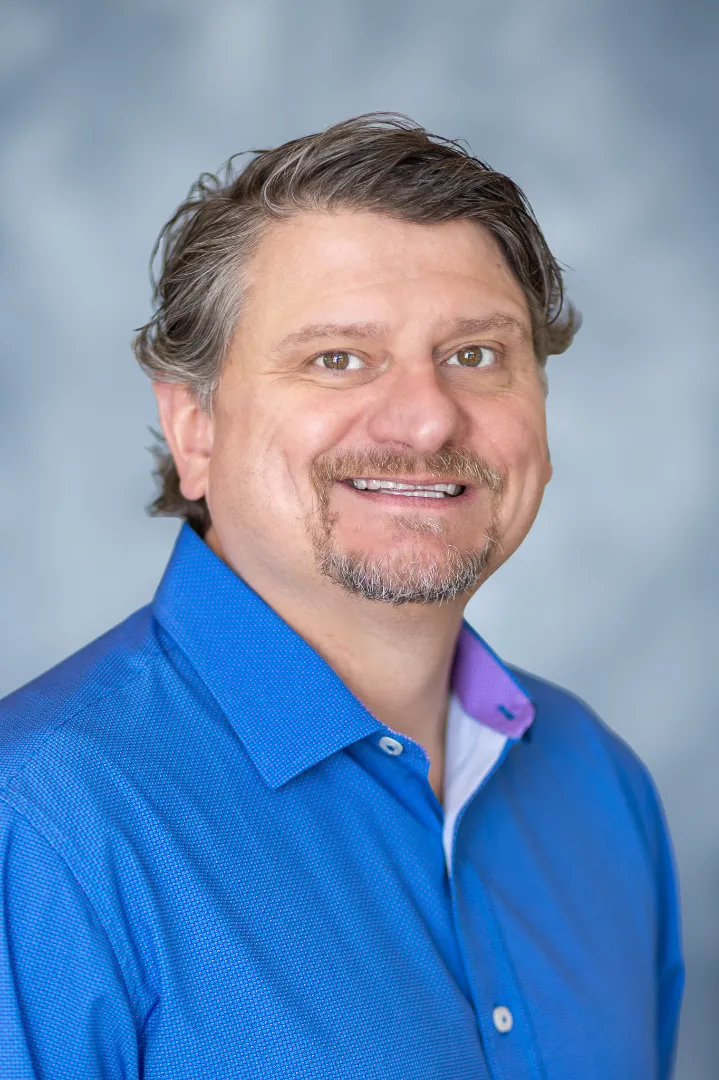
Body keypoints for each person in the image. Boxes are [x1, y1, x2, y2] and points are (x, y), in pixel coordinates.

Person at [0, 114, 683, 1079]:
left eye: (477, 354)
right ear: (194, 429)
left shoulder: (596, 783)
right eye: (337, 358)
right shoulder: (37, 825)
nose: (424, 416)